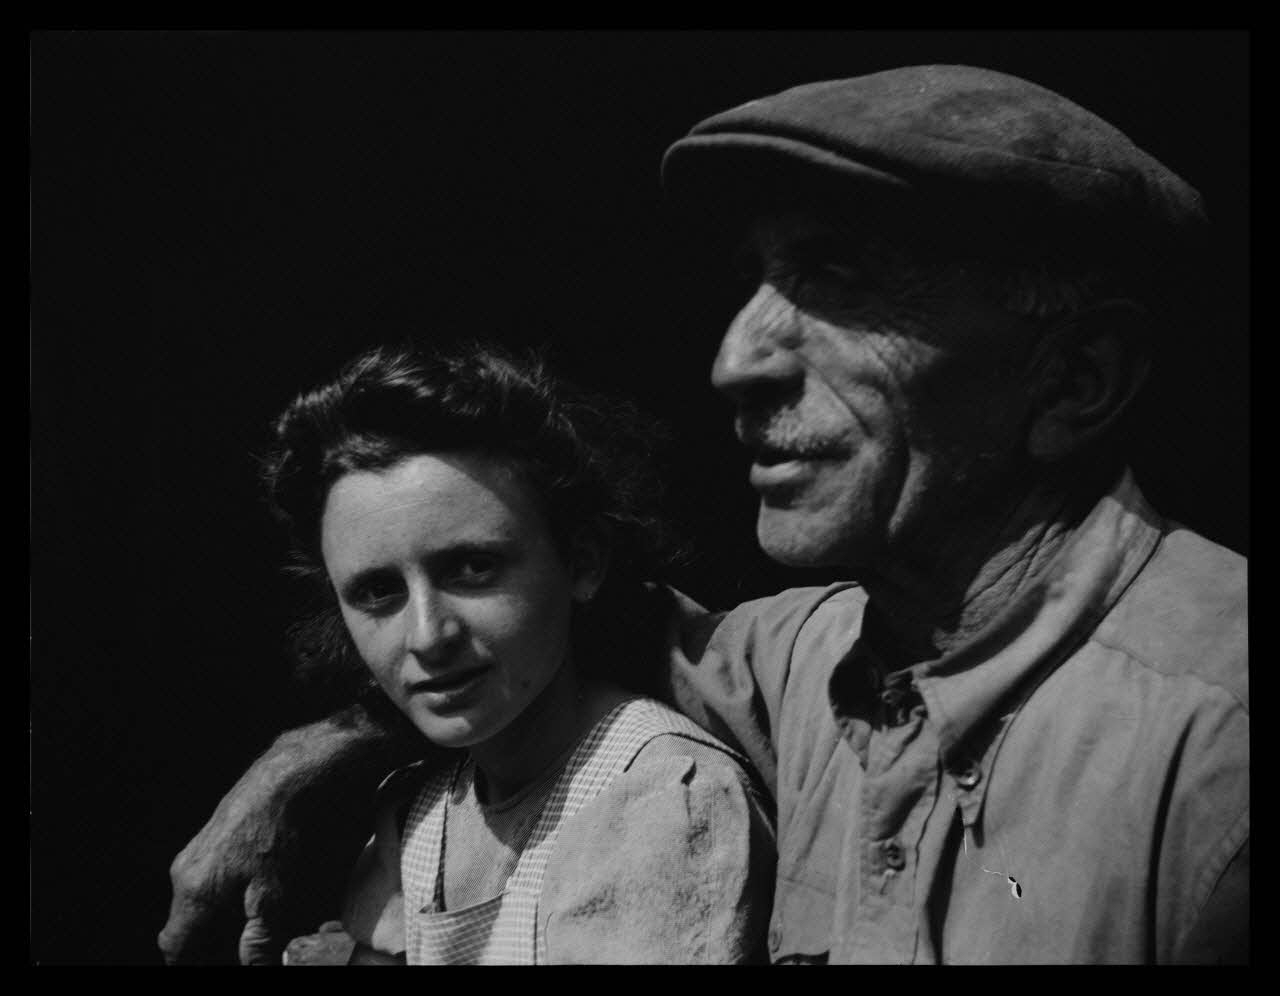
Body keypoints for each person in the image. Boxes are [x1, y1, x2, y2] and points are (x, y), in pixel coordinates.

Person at [158, 65, 1247, 965]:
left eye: (837, 281)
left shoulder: (1219, 730)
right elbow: (522, 638)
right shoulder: (797, 660)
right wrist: (309, 758)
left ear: (1076, 379)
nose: (735, 361)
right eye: (754, 281)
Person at [239, 342, 775, 964]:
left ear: (583, 562)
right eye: (378, 592)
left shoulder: (658, 798)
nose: (427, 635)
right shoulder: (421, 808)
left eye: (472, 568)